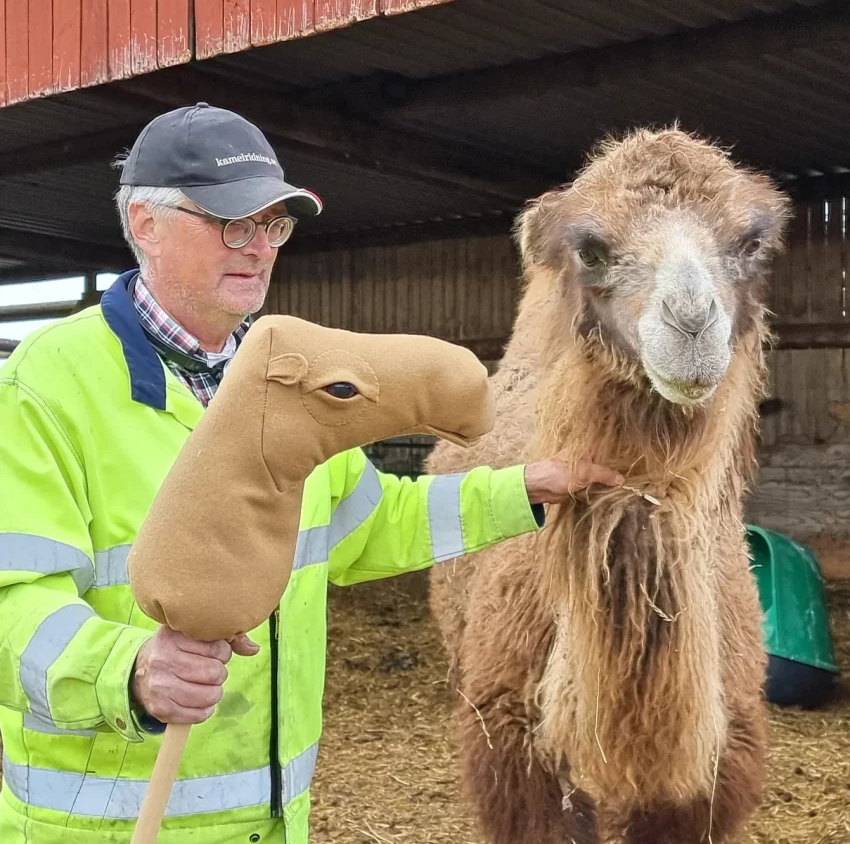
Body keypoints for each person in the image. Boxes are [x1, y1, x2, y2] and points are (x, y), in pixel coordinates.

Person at [0, 103, 623, 844]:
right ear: (144, 224)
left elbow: (370, 525)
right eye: (232, 223)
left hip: (273, 822)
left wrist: (525, 490)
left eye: (274, 225)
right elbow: (13, 600)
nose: (259, 248)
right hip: (111, 827)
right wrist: (127, 670)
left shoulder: (283, 382)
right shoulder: (46, 387)